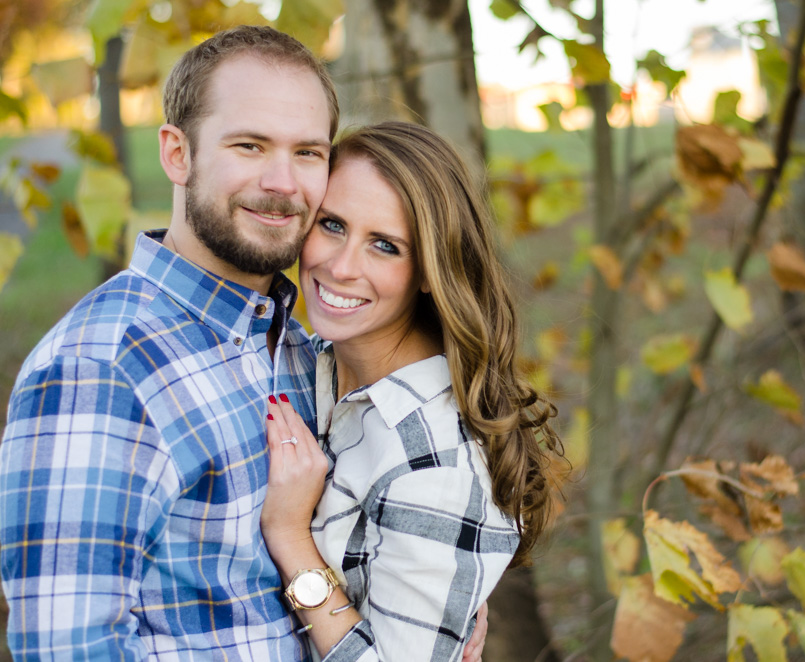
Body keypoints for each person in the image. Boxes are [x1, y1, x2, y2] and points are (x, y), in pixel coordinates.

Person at [0, 27, 486, 661]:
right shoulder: (102, 369)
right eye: (250, 145)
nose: (283, 182)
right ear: (177, 153)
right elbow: (69, 647)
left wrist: (441, 603)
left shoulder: (294, 345)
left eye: (308, 152)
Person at [256, 121, 565, 661]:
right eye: (332, 225)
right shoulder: (307, 363)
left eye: (384, 245)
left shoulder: (437, 465)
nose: (341, 266)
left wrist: (290, 538)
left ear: (429, 270)